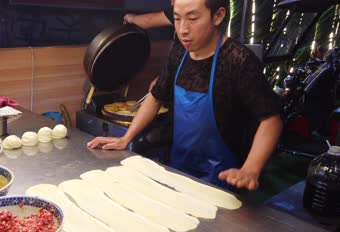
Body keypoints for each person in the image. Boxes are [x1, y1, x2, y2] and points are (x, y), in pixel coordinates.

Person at [88, 0, 282, 191]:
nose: (183, 30)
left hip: (223, 178)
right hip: (180, 170)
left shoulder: (238, 61)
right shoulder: (180, 52)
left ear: (218, 16)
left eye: (192, 18)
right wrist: (126, 138)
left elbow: (271, 120)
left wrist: (250, 169)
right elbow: (156, 97)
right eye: (177, 19)